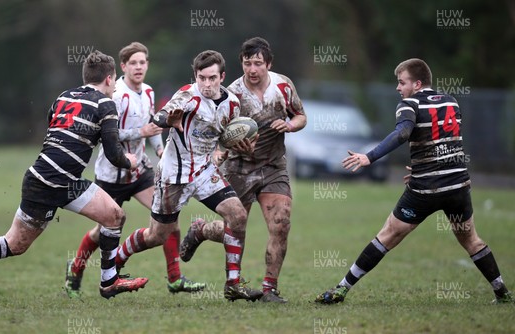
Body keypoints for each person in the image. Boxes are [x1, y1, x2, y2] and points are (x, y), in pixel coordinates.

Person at [0, 50, 149, 307]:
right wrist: (130, 161)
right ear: (110, 79)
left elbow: (55, 126)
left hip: (47, 178)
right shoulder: (105, 104)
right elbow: (114, 155)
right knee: (17, 243)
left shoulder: (64, 96)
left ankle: (108, 281)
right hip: (55, 181)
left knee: (111, 216)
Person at [314, 58, 513, 304]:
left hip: (426, 189)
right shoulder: (452, 101)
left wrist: (370, 156)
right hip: (458, 185)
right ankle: (502, 293)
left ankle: (341, 289)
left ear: (417, 84)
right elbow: (445, 143)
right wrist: (423, 164)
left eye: (401, 82)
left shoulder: (409, 103)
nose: (398, 88)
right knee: (471, 239)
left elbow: (403, 133)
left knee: (387, 235)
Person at [111, 50, 263, 302]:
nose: (206, 83)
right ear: (195, 76)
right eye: (201, 77)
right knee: (157, 236)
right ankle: (115, 260)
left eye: (212, 78)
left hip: (204, 172)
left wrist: (239, 146)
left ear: (222, 76)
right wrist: (168, 120)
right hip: (174, 176)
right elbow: (161, 116)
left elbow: (230, 136)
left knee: (238, 216)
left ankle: (233, 284)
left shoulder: (232, 103)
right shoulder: (187, 96)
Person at [64, 42, 205, 298]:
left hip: (140, 172)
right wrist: (141, 132)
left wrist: (160, 150)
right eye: (133, 63)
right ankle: (75, 268)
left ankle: (175, 279)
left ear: (147, 65)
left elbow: (154, 125)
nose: (139, 67)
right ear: (124, 67)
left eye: (143, 62)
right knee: (101, 232)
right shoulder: (115, 95)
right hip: (111, 175)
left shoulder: (149, 92)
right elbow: (109, 133)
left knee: (169, 217)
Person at [179, 37, 307, 303]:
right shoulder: (232, 93)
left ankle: (270, 289)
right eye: (247, 63)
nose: (252, 69)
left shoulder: (283, 86)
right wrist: (225, 151)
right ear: (241, 64)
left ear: (268, 64)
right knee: (234, 228)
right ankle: (201, 230)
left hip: (274, 165)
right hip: (239, 166)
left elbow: (300, 115)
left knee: (281, 224)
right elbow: (219, 134)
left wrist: (291, 126)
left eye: (258, 63)